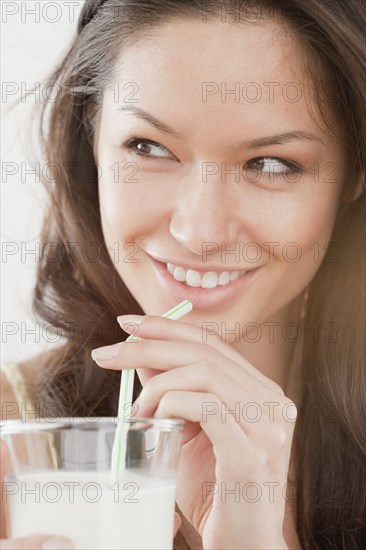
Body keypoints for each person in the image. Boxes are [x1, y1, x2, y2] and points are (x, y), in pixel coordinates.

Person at [1, 0, 365, 548]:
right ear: (92, 144)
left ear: (353, 177)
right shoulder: (15, 437)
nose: (201, 232)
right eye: (149, 148)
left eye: (270, 164)